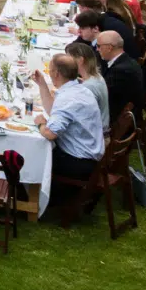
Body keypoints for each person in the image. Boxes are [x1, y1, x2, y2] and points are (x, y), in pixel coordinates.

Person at [32, 51, 106, 190]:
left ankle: (27, 197)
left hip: (77, 162)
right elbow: (53, 110)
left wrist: (41, 123)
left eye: (50, 70)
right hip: (89, 155)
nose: (49, 73)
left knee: (30, 152)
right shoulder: (79, 90)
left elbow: (50, 133)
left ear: (56, 74)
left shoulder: (68, 98)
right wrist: (42, 85)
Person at [96, 29, 146, 131]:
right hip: (119, 109)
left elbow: (101, 97)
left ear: (109, 48)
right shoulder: (124, 61)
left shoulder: (121, 71)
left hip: (116, 120)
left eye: (98, 46)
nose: (97, 49)